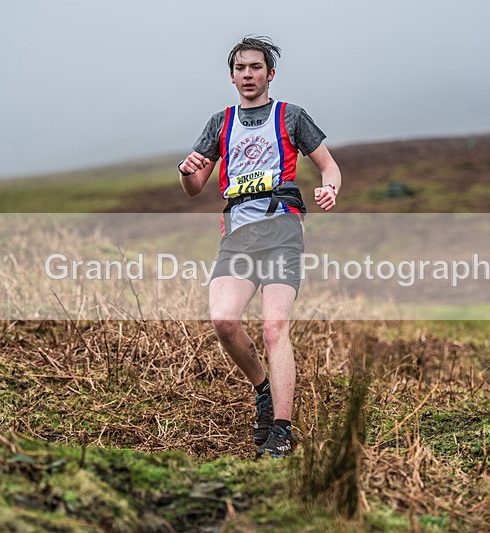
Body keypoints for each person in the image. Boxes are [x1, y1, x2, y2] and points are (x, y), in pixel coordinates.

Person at [178, 35, 341, 459]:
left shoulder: (291, 116)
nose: (248, 75)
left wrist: (329, 188)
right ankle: (264, 392)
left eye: (255, 67)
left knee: (273, 327)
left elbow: (328, 165)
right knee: (223, 321)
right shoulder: (220, 122)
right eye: (240, 68)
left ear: (270, 73)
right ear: (232, 76)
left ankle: (282, 432)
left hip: (282, 228)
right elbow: (194, 188)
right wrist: (186, 170)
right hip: (237, 235)